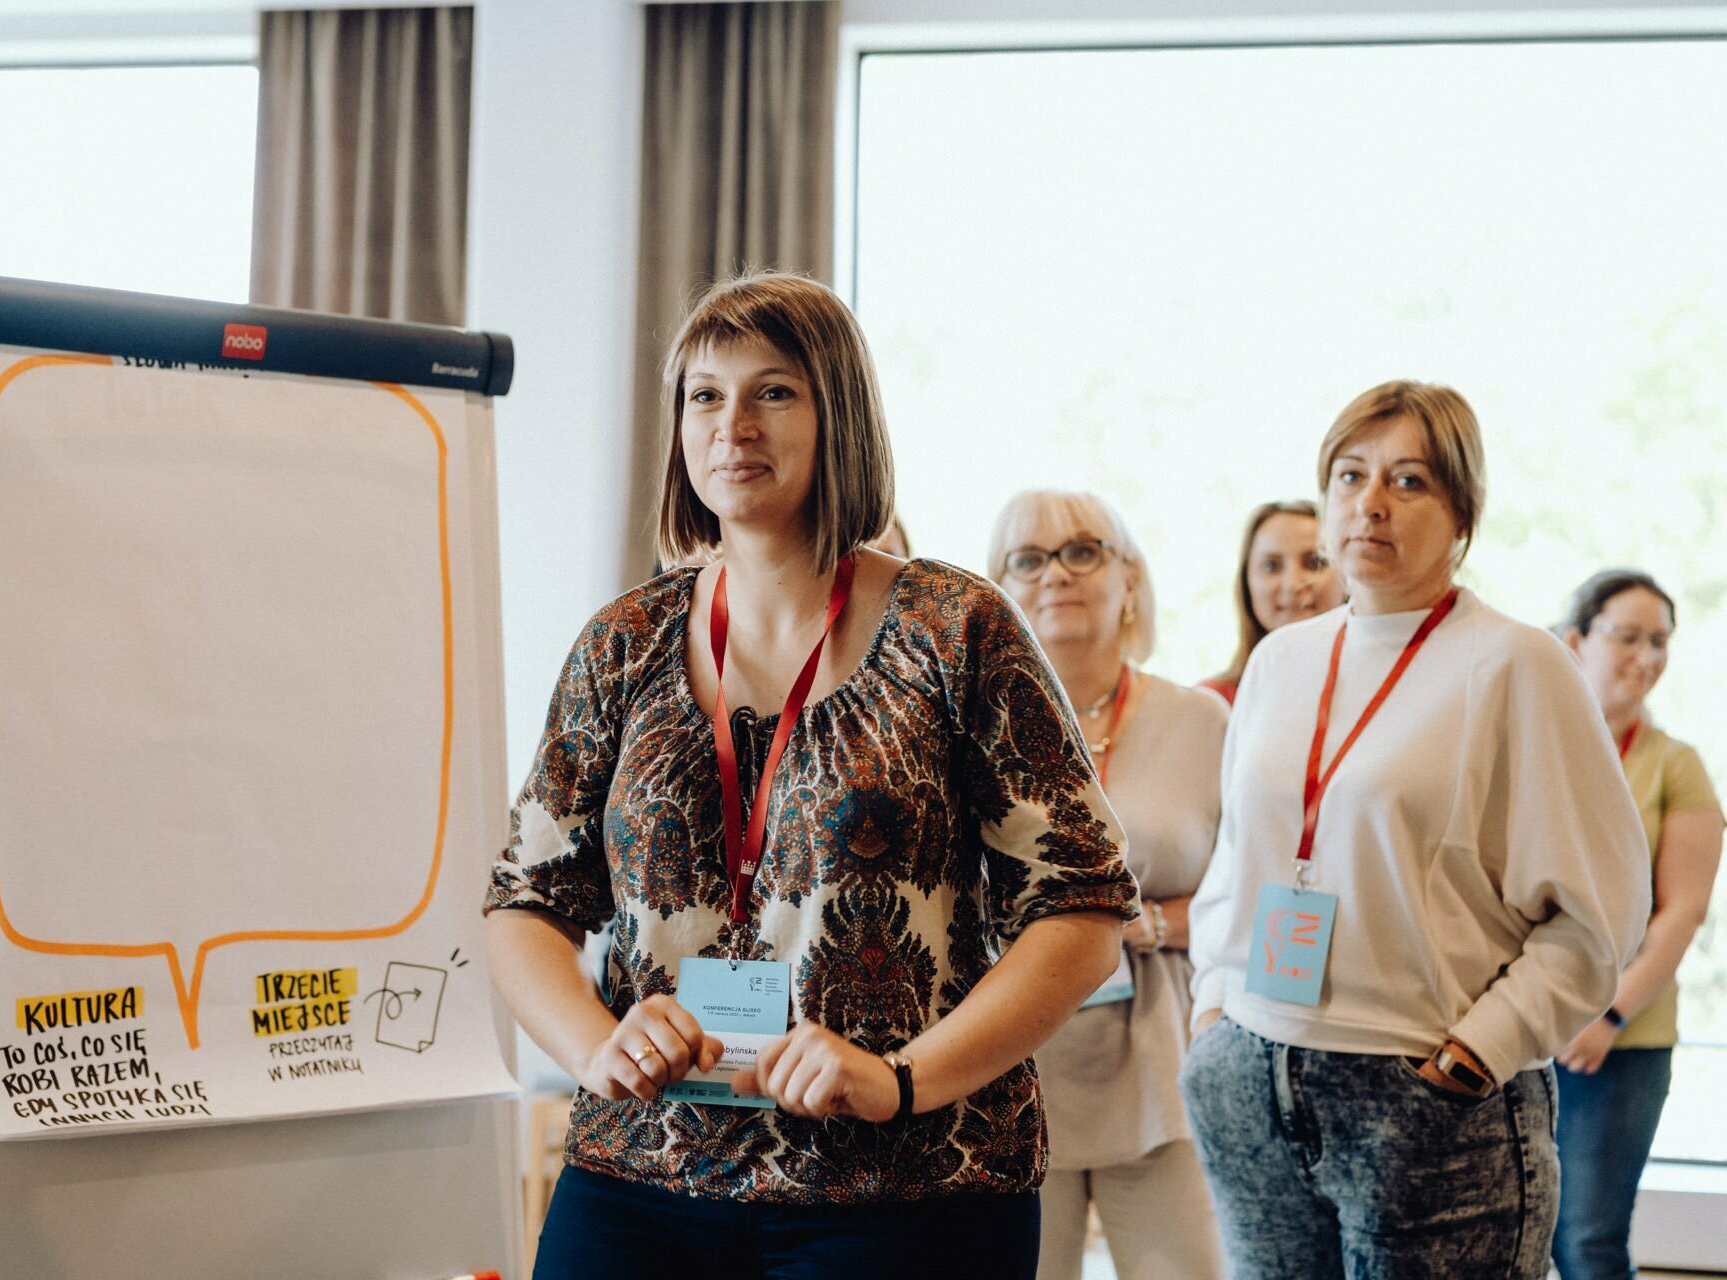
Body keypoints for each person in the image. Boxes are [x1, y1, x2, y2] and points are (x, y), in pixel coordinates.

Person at [483, 272, 1137, 1280]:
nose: (732, 422)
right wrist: (593, 1045)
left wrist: (905, 1079)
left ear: (841, 414)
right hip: (643, 1176)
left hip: (908, 1188)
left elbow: (1084, 908)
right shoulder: (622, 642)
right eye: (705, 394)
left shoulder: (956, 630)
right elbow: (525, 897)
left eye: (773, 391)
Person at [1180, 379, 1652, 1279]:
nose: (1372, 503)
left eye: (1409, 482)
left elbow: (1604, 903)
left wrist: (1486, 1047)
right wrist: (1214, 1010)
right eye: (1351, 476)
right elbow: (1236, 861)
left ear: (1462, 511)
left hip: (1426, 1089)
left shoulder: (1518, 663)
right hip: (1254, 1070)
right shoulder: (1282, 661)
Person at [990, 490, 1226, 1280]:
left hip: (1163, 1072)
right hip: (1009, 1067)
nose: (1056, 574)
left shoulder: (1204, 724)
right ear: (997, 587)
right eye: (1028, 558)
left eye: (1082, 550)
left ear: (1129, 579)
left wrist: (1150, 926)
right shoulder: (966, 722)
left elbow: (1256, 898)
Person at [1552, 568, 1722, 1280]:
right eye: (1628, 636)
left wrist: (1609, 1015)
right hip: (1524, 1032)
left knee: (1587, 1241)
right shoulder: (1541, 748)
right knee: (1513, 1235)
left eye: (1660, 642)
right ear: (1575, 641)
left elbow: (1682, 911)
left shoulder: (1676, 766)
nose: (1646, 657)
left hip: (1622, 1041)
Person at [1201, 499, 1341, 705]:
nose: (1292, 583)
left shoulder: (1377, 690)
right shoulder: (1211, 704)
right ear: (1246, 582)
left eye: (1314, 562)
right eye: (1271, 566)